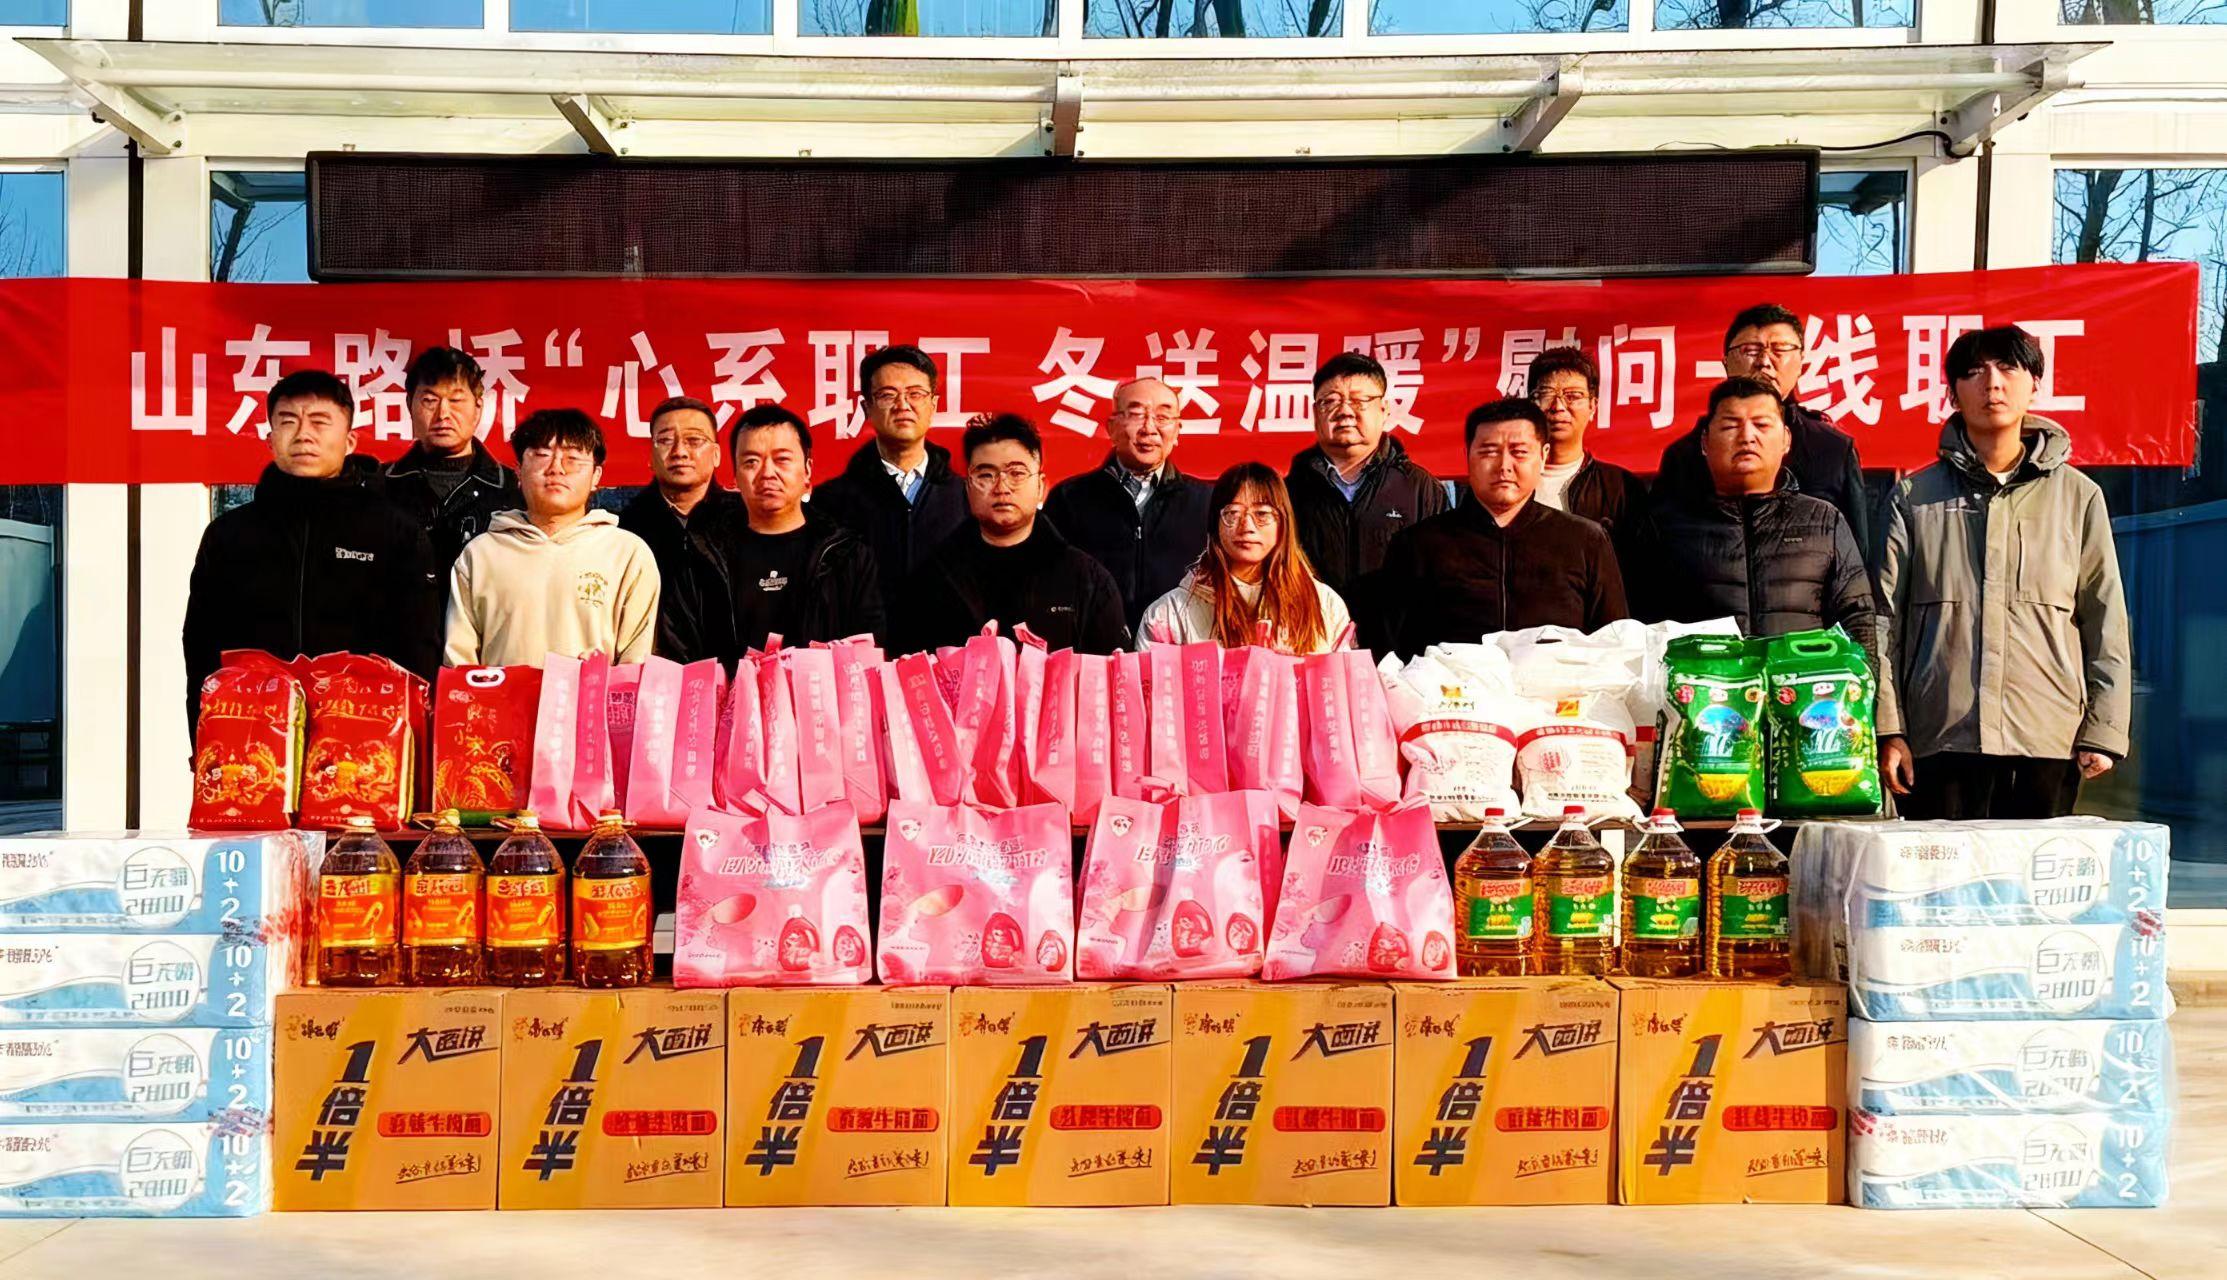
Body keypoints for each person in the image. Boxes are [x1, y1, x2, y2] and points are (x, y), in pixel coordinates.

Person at [1876, 326, 2131, 820]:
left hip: (2046, 735)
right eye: (1973, 372)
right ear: (1953, 394)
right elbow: (1884, 622)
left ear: (2034, 384)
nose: (1992, 383)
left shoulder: (2078, 497)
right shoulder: (1914, 498)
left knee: (2036, 871)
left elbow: (2105, 618)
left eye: (2008, 368)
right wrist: (1891, 728)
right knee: (1943, 871)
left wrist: (2104, 729)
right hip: (1941, 736)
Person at [182, 369, 439, 728]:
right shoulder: (228, 535)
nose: (304, 434)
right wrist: (205, 735)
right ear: (270, 440)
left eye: (320, 422)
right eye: (289, 421)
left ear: (350, 441)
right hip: (253, 733)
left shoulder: (395, 533)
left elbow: (418, 649)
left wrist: (412, 740)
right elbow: (201, 649)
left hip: (365, 734)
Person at [1371, 398, 1627, 658]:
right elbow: (1390, 653)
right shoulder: (1417, 545)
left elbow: (1616, 644)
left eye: (1519, 452)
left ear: (1543, 456)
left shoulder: (1585, 541)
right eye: (1489, 452)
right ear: (1467, 455)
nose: (1504, 466)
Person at [1646, 377, 1879, 661]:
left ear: (1786, 440)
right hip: (1705, 686)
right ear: (1705, 442)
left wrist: (1862, 682)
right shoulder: (1667, 528)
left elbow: (1858, 618)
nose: (1747, 437)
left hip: (1804, 684)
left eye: (1762, 425)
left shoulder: (1823, 521)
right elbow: (1644, 628)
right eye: (1730, 426)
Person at [444, 408, 661, 667]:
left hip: (594, 696)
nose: (556, 468)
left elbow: (636, 663)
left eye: (573, 458)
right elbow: (460, 664)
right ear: (518, 472)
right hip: (500, 695)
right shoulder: (481, 554)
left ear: (596, 476)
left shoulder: (627, 554)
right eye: (542, 455)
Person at [901, 413, 1129, 655]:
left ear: (1040, 486)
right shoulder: (933, 577)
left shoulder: (1087, 580)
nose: (1002, 487)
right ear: (968, 488)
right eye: (986, 475)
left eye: (1017, 473)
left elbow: (1113, 671)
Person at [1655, 303, 1871, 556]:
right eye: (1750, 350)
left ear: (1801, 362)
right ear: (1726, 363)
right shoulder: (1685, 455)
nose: (1764, 362)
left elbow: (1856, 553)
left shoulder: (1833, 448)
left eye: (1780, 349)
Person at [706, 404, 884, 655]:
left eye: (782, 460)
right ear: (735, 475)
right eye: (751, 462)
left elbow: (867, 649)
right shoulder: (708, 557)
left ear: (807, 470)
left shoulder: (847, 556)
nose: (767, 473)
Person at [809, 344, 970, 618]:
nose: (903, 405)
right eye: (887, 395)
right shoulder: (832, 500)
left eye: (915, 394)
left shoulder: (964, 495)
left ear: (933, 405)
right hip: (862, 643)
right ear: (867, 407)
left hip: (947, 644)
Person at [1042, 376, 1214, 629]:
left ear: (1177, 430)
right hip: (1092, 647)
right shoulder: (1069, 498)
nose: (1149, 428)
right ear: (1112, 427)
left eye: (1163, 417)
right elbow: (1046, 581)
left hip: (1179, 646)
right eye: (1136, 414)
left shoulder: (1206, 501)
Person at [1137, 463, 1351, 655]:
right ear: (1215, 525)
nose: (1247, 527)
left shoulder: (1325, 605)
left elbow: (1344, 682)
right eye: (1233, 514)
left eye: (1262, 514)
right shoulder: (1168, 614)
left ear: (1283, 523)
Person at [1284, 352, 1450, 597]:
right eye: (1330, 401)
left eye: (1359, 401)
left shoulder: (1421, 489)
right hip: (1312, 622)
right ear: (1315, 413)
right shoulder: (1288, 491)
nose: (1345, 411)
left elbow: (1442, 575)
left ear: (1384, 409)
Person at [616, 395, 747, 664]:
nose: (680, 451)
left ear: (717, 455)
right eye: (665, 440)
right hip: (652, 677)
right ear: (650, 457)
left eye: (694, 440)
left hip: (737, 675)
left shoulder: (745, 519)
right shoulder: (625, 529)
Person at [381, 346, 522, 576]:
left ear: (478, 408)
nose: (443, 414)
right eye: (430, 400)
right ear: (409, 405)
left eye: (456, 400)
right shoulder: (381, 485)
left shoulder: (511, 488)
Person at [1527, 344, 1650, 570]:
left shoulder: (1621, 488)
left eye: (1573, 396)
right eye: (1546, 394)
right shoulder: (1509, 480)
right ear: (1531, 403)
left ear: (1593, 406)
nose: (1558, 406)